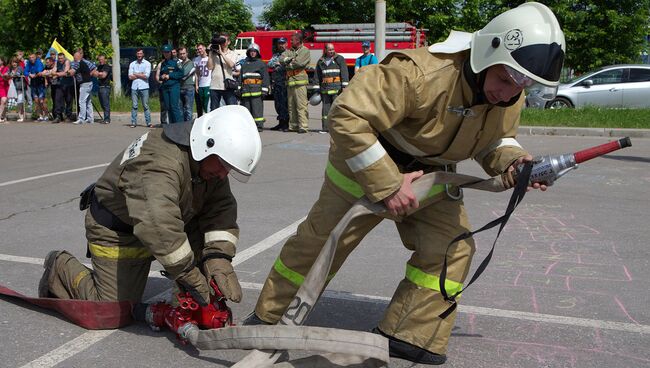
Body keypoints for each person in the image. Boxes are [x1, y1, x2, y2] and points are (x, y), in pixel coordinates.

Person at [244, 2, 564, 365]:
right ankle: (270, 317)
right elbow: (346, 115)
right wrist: (388, 184)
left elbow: (495, 141)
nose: (508, 94)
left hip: (432, 172)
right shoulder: (421, 73)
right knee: (321, 242)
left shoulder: (510, 94)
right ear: (486, 53)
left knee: (453, 246)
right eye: (505, 80)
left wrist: (514, 162)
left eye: (522, 85)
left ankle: (410, 334)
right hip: (367, 160)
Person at [38, 105, 262, 309]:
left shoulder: (209, 164)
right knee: (111, 308)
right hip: (119, 230)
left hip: (167, 223)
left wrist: (218, 258)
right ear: (207, 144)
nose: (225, 174)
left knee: (205, 293)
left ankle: (186, 304)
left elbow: (220, 210)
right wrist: (187, 273)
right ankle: (59, 267)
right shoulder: (159, 163)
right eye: (224, 166)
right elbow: (158, 225)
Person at [313, 43, 349, 133]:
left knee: (337, 110)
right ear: (325, 50)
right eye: (329, 50)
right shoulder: (321, 61)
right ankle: (325, 128)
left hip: (337, 89)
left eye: (332, 49)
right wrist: (317, 89)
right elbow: (317, 76)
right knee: (325, 111)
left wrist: (344, 86)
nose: (332, 51)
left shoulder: (339, 59)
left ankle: (338, 129)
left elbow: (344, 73)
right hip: (325, 90)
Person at [281, 32, 310, 133]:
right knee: (291, 106)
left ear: (298, 41)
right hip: (290, 82)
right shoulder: (289, 51)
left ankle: (303, 126)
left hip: (300, 82)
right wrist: (290, 59)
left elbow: (299, 63)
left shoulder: (305, 50)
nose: (290, 42)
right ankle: (293, 126)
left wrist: (288, 63)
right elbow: (281, 59)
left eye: (292, 40)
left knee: (301, 105)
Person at [239, 43, 270, 132]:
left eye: (254, 51)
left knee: (257, 110)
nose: (252, 53)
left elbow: (265, 78)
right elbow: (241, 77)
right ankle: (248, 126)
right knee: (247, 110)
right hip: (246, 91)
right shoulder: (245, 64)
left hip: (257, 91)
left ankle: (259, 126)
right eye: (251, 51)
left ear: (257, 52)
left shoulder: (261, 64)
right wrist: (238, 88)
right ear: (248, 52)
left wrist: (264, 90)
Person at [207, 33, 238, 109]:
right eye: (220, 40)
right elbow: (209, 67)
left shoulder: (233, 53)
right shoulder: (214, 54)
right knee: (214, 109)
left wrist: (221, 53)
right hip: (215, 85)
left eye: (224, 40)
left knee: (231, 109)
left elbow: (231, 65)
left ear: (229, 42)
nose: (222, 43)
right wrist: (210, 53)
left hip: (227, 85)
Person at [268, 37, 289, 131]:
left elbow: (288, 65)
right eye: (279, 43)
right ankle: (280, 122)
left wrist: (279, 63)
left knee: (285, 104)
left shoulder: (288, 54)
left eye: (283, 43)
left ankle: (286, 124)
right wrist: (278, 63)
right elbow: (269, 64)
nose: (281, 45)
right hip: (276, 83)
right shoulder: (276, 55)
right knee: (278, 104)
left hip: (285, 83)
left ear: (286, 44)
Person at [158, 44, 183, 124]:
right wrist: (162, 76)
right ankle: (172, 126)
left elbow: (181, 73)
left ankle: (179, 126)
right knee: (168, 107)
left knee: (174, 107)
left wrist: (170, 75)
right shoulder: (163, 63)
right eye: (164, 52)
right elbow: (160, 76)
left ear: (171, 52)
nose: (166, 54)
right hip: (165, 87)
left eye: (167, 52)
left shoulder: (177, 62)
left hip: (174, 86)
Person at [70, 49, 96, 124]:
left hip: (85, 84)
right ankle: (90, 119)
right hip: (88, 83)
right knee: (88, 102)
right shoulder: (82, 63)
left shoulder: (79, 63)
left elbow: (72, 72)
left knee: (81, 101)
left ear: (78, 56)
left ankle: (81, 118)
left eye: (75, 56)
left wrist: (67, 72)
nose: (74, 58)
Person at [128, 48, 152, 128]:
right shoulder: (132, 64)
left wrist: (135, 74)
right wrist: (140, 74)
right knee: (134, 105)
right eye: (138, 53)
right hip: (134, 87)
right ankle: (133, 122)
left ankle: (148, 122)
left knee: (145, 105)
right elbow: (130, 77)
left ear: (143, 54)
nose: (139, 55)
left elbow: (146, 76)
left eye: (140, 53)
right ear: (136, 54)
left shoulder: (147, 64)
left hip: (144, 87)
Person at [24, 52, 48, 121]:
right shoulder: (28, 63)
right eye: (30, 58)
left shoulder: (39, 62)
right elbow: (25, 71)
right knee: (36, 101)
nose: (31, 59)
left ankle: (46, 115)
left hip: (40, 83)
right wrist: (29, 74)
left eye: (33, 57)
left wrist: (34, 74)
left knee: (41, 101)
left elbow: (39, 71)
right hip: (33, 84)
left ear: (35, 57)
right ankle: (40, 115)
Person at [52, 53, 74, 123]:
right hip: (60, 84)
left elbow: (66, 71)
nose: (60, 60)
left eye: (61, 58)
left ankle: (68, 116)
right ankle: (58, 116)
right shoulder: (56, 62)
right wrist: (53, 72)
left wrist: (56, 74)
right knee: (57, 99)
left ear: (64, 58)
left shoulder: (67, 61)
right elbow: (54, 69)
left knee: (68, 100)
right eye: (59, 58)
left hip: (68, 84)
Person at [178, 46, 196, 122]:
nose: (182, 55)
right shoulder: (179, 63)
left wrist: (178, 74)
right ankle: (182, 126)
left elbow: (183, 74)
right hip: (180, 88)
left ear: (187, 54)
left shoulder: (191, 63)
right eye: (180, 54)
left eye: (184, 53)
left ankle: (188, 126)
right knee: (180, 109)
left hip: (189, 88)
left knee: (188, 109)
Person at [193, 43, 211, 117]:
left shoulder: (209, 58)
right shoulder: (197, 59)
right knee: (201, 104)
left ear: (204, 48)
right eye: (198, 49)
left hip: (208, 84)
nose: (199, 50)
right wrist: (196, 85)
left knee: (207, 104)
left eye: (200, 48)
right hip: (201, 84)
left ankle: (209, 118)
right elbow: (197, 73)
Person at [7, 57, 26, 122]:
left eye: (15, 62)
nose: (14, 64)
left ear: (17, 63)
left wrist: (11, 74)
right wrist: (9, 74)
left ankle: (21, 116)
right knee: (16, 100)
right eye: (13, 62)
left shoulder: (20, 68)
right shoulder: (10, 68)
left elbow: (17, 74)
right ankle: (20, 115)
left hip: (20, 87)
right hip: (13, 87)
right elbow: (7, 74)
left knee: (20, 101)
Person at [96, 55, 112, 124]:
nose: (101, 61)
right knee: (102, 103)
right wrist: (99, 74)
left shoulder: (107, 66)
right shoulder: (99, 67)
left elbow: (103, 75)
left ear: (105, 60)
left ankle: (107, 119)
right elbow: (94, 74)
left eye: (102, 59)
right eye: (99, 59)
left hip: (105, 87)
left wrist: (98, 74)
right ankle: (105, 118)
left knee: (106, 104)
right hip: (100, 87)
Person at [0, 57, 9, 122]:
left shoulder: (6, 68)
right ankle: (3, 115)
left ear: (2, 61)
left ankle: (0, 116)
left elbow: (7, 79)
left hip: (4, 86)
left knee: (3, 101)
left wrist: (1, 74)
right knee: (2, 103)